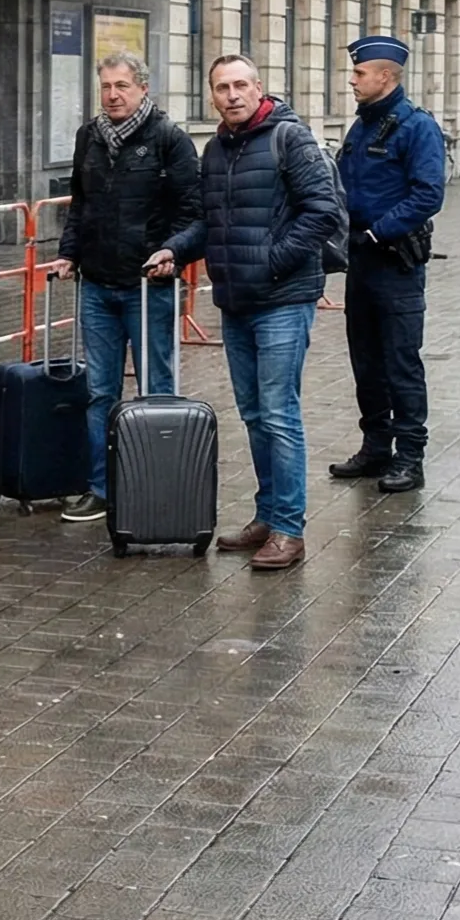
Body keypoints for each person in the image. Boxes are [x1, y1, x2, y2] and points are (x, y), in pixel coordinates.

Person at [152, 54, 341, 571]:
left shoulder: (290, 138)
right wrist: (175, 250)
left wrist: (270, 262)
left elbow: (322, 212)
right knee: (255, 415)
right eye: (222, 87)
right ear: (211, 95)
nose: (232, 95)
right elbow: (210, 223)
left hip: (283, 300)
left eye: (240, 85)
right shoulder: (215, 149)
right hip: (236, 302)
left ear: (259, 88)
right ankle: (267, 515)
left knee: (279, 414)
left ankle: (289, 530)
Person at [43, 53, 200, 524]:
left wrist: (171, 252)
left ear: (143, 89)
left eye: (122, 86)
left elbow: (192, 212)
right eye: (106, 86)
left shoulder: (169, 139)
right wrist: (69, 253)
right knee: (99, 391)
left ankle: (156, 487)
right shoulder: (89, 137)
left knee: (156, 390)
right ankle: (101, 488)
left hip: (148, 287)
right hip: (97, 285)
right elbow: (81, 204)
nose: (113, 95)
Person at [330, 35, 444, 493]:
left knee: (400, 363)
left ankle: (410, 456)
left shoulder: (416, 127)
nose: (352, 80)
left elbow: (428, 193)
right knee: (366, 361)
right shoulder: (362, 127)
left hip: (395, 263)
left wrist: (379, 231)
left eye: (359, 73)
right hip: (360, 261)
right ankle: (376, 447)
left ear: (386, 76)